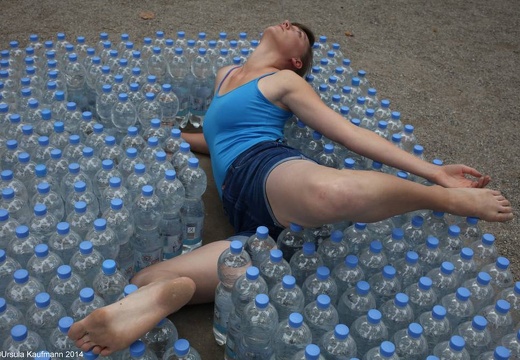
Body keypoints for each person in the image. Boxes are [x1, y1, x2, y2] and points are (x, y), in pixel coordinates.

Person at [68, 20, 513, 355]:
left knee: (333, 194)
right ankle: (169, 296)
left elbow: (347, 132)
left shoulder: (284, 82)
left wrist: (433, 171)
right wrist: (172, 136)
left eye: (301, 34)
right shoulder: (224, 76)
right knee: (150, 276)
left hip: (268, 170)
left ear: (296, 62)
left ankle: (449, 199)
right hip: (247, 218)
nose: (293, 26)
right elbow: (217, 136)